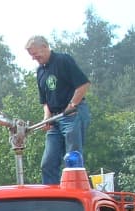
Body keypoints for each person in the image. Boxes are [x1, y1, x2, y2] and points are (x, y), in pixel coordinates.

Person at [26, 35, 91, 184]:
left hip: (72, 114)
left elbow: (83, 84)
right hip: (54, 119)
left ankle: (74, 195)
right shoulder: (40, 72)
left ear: (45, 46)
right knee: (47, 163)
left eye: (35, 54)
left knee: (72, 159)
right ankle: (50, 199)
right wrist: (46, 118)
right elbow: (45, 101)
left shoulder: (63, 60)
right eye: (31, 55)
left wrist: (72, 105)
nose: (34, 58)